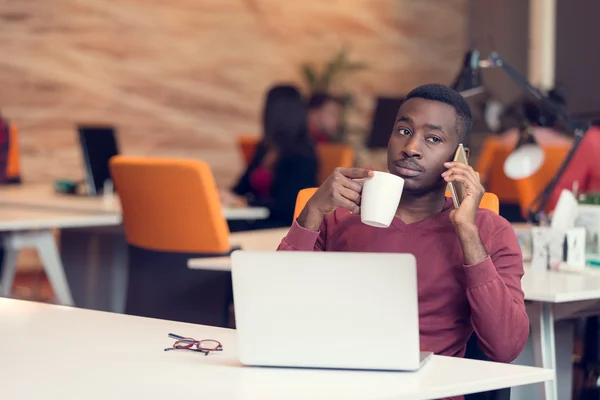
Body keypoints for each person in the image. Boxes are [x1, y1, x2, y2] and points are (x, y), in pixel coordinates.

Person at [277, 84, 529, 367]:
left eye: (433, 138)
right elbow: (276, 314)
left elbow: (506, 347)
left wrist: (467, 232)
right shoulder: (338, 217)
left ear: (459, 158)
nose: (411, 148)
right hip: (339, 380)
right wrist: (312, 210)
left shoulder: (489, 230)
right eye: (404, 131)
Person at [222, 84, 318, 231]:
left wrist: (246, 203)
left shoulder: (303, 154)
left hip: (280, 225)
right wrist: (225, 196)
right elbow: (241, 187)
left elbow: (288, 206)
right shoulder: (265, 148)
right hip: (257, 218)